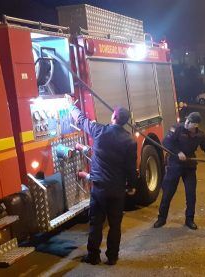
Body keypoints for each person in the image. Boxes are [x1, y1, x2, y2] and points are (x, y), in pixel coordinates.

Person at [68, 99, 138, 266]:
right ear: (125, 121)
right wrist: (132, 186)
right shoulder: (130, 141)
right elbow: (130, 167)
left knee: (96, 223)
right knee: (115, 225)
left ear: (113, 116)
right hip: (117, 189)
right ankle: (112, 257)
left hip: (99, 188)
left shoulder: (99, 130)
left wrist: (71, 105)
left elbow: (81, 120)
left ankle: (93, 256)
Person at [153, 112, 205, 230]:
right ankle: (161, 218)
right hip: (174, 166)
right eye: (186, 120)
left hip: (189, 167)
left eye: (189, 122)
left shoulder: (200, 135)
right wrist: (178, 152)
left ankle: (189, 219)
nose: (186, 123)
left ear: (195, 125)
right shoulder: (176, 128)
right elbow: (166, 142)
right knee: (167, 194)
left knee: (191, 195)